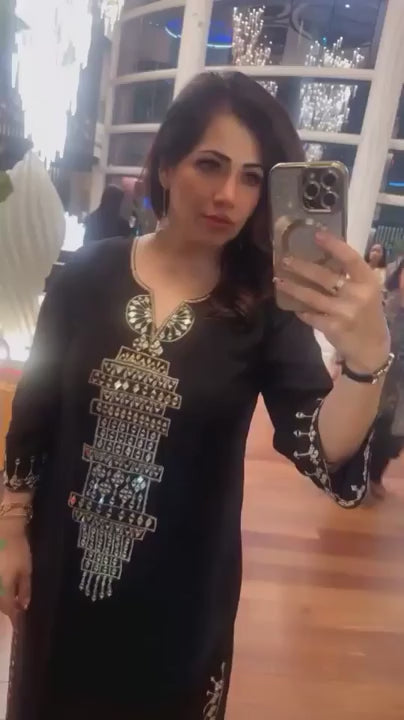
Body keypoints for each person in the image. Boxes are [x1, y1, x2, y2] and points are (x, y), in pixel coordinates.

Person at [1, 72, 391, 720]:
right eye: (210, 165)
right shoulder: (86, 276)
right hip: (62, 574)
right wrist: (11, 531)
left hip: (181, 597)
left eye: (252, 178)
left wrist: (367, 361)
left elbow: (321, 449)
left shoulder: (263, 307)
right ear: (165, 165)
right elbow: (35, 413)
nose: (228, 195)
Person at [369, 258, 404, 499]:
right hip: (376, 379)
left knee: (394, 436)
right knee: (367, 429)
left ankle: (374, 476)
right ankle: (352, 476)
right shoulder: (382, 303)